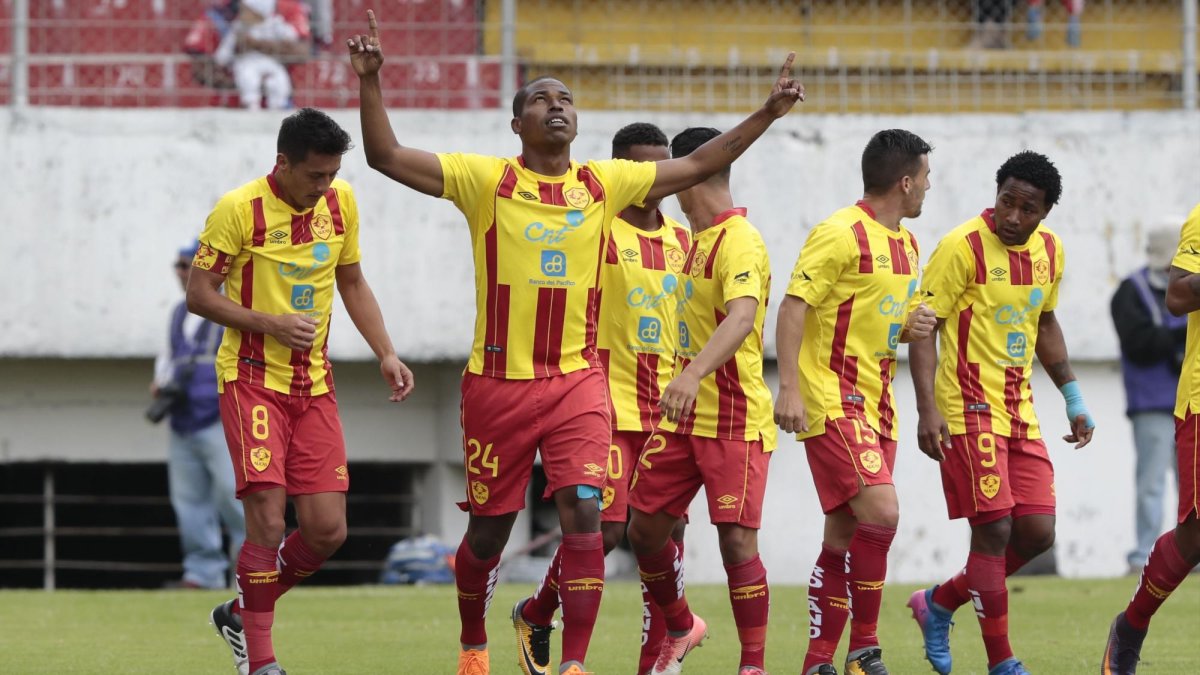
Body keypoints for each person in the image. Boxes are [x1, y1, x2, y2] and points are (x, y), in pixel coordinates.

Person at [346, 10, 803, 675]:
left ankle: (575, 664)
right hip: (498, 382)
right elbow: (384, 156)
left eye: (566, 99)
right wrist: (371, 83)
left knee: (587, 514)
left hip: (577, 383)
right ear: (517, 125)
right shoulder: (486, 181)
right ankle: (474, 642)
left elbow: (703, 160)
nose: (556, 107)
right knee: (487, 533)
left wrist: (765, 112)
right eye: (541, 99)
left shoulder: (602, 185)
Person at [188, 107, 415, 675]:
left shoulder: (341, 204)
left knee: (327, 530)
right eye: (315, 176)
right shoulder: (237, 209)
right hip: (250, 379)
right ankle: (260, 662)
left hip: (313, 385)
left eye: (332, 175)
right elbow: (199, 294)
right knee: (266, 518)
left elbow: (353, 281)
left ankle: (242, 611)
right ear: (282, 163)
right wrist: (269, 322)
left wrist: (386, 351)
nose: (324, 187)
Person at [511, 122, 692, 675]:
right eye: (641, 169)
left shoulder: (686, 241)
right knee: (607, 531)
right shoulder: (594, 230)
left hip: (667, 409)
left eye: (660, 168)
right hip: (605, 404)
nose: (653, 180)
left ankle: (656, 663)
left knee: (667, 537)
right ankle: (540, 612)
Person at [906, 151, 1095, 675]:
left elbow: (1046, 322)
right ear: (996, 194)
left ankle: (940, 601)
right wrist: (926, 409)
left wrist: (1074, 397)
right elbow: (922, 328)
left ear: (1046, 213)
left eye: (1027, 209)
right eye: (1006, 201)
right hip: (966, 411)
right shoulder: (960, 247)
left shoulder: (1051, 252)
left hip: (1020, 411)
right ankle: (1002, 663)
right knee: (993, 533)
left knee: (1037, 533)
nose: (1013, 216)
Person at [775, 129, 936, 675]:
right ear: (906, 181)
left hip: (878, 402)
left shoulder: (908, 245)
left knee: (843, 534)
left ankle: (817, 661)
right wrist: (791, 387)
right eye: (926, 178)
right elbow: (795, 305)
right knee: (884, 512)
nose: (928, 189)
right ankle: (865, 650)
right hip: (831, 397)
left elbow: (888, 320)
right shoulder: (839, 232)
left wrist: (911, 327)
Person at [624, 126, 777, 675]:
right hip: (685, 419)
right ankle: (682, 624)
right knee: (643, 529)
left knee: (736, 544)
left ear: (691, 171)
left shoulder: (739, 239)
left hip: (734, 417)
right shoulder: (696, 241)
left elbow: (741, 317)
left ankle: (752, 666)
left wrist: (690, 375)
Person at [1102, 202, 1200, 675]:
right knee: (1174, 506)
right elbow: (1173, 303)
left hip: (1166, 397)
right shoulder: (1133, 289)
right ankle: (1132, 621)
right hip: (1175, 401)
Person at [153, 242, 245, 590]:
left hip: (220, 418)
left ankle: (253, 574)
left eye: (185, 264)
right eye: (177, 265)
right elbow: (167, 357)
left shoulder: (230, 307)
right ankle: (202, 573)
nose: (179, 271)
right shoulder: (178, 312)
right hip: (182, 421)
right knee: (190, 503)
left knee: (236, 498)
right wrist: (160, 383)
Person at [1111, 225, 1188, 574]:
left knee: (1191, 485)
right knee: (1152, 483)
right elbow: (1138, 345)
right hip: (1152, 403)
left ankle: (1187, 555)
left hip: (1190, 403)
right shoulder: (1132, 291)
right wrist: (1179, 334)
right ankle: (1144, 555)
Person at [213, 0, 311, 110]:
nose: (241, 14)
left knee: (279, 78)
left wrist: (258, 43)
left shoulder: (274, 23)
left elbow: (291, 36)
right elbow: (227, 47)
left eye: (246, 11)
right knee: (247, 76)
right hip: (247, 61)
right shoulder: (239, 27)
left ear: (259, 12)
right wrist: (221, 59)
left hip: (270, 61)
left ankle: (278, 104)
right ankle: (251, 103)